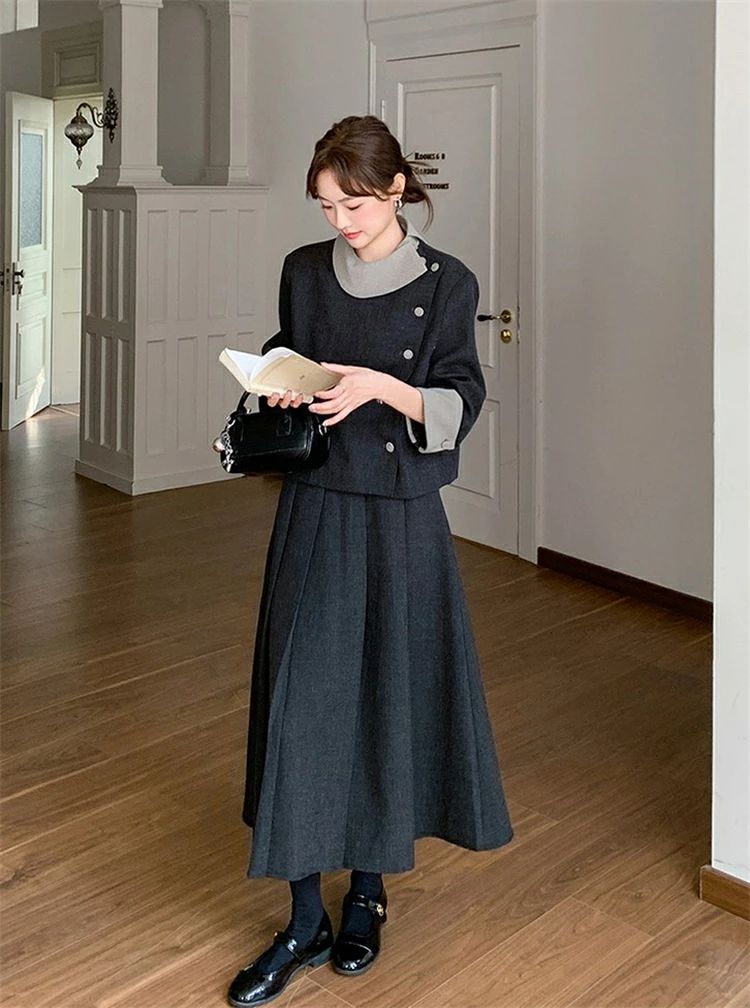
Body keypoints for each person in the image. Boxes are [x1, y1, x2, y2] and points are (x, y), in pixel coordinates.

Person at [227, 115, 514, 1008]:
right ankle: (301, 918)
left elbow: (463, 395)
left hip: (400, 517)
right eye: (325, 206)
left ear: (395, 190)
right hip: (314, 506)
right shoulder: (303, 270)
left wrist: (385, 387)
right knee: (301, 701)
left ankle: (367, 893)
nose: (340, 222)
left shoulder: (448, 282)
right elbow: (288, 354)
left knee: (386, 699)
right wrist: (281, 384)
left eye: (353, 204)